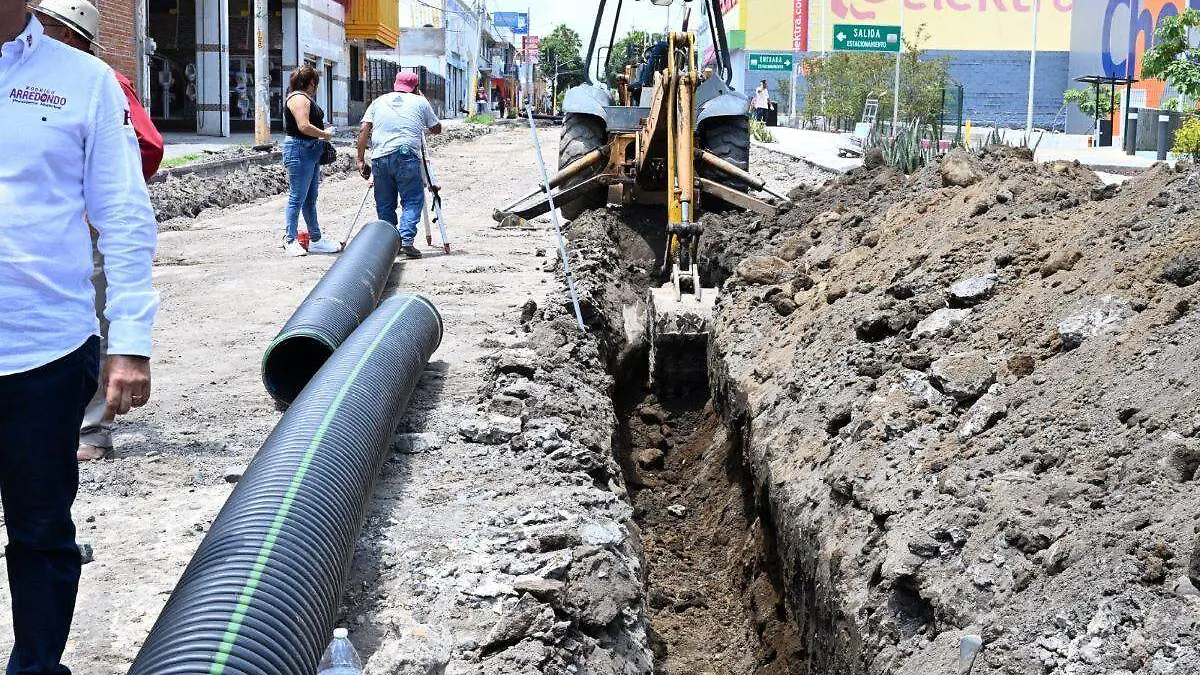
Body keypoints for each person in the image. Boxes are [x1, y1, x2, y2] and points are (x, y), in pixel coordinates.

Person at [0, 0, 158, 669]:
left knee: (39, 533)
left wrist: (129, 339)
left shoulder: (84, 81)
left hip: (43, 350)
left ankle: (36, 665)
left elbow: (123, 212)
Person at [30, 0, 164, 463]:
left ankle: (92, 430)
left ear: (67, 34)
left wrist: (96, 196)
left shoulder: (96, 81)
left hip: (86, 230)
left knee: (96, 321)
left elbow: (147, 146)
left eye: (44, 25)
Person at [357, 71, 442, 259]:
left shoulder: (378, 101)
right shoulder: (420, 102)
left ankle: (389, 244)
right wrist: (423, 100)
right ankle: (405, 241)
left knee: (385, 203)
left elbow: (364, 129)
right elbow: (437, 129)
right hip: (407, 156)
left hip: (380, 157)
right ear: (416, 87)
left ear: (395, 84)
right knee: (412, 199)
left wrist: (361, 159)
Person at [282, 65, 340, 257]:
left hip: (309, 150)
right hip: (300, 149)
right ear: (312, 82)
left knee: (310, 198)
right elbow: (304, 126)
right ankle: (290, 240)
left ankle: (316, 240)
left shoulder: (302, 97)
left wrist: (322, 133)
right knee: (297, 197)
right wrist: (325, 135)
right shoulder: (299, 98)